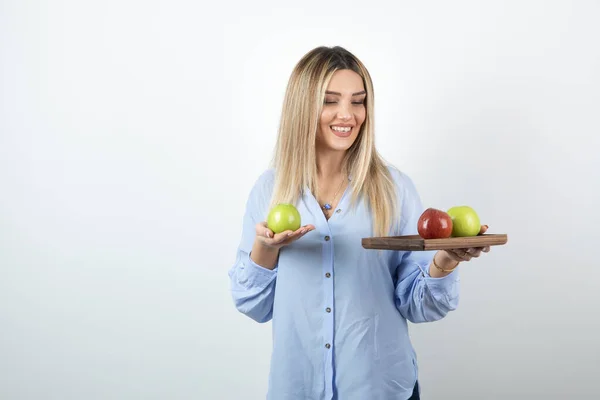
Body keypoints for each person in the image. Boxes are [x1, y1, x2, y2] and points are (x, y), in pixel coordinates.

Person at [228, 46, 491, 400]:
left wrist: (446, 260)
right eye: (330, 100)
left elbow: (418, 304)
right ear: (302, 106)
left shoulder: (394, 188)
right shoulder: (270, 191)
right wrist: (265, 248)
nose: (347, 115)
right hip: (298, 388)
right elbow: (253, 305)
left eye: (358, 101)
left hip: (380, 389)